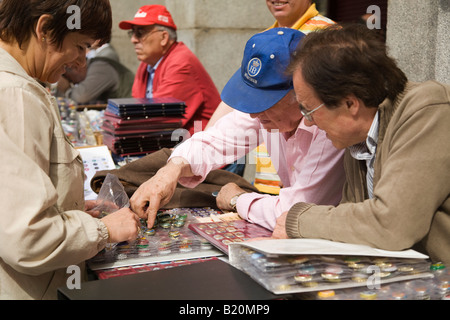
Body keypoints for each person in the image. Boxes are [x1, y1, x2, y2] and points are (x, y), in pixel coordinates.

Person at [130, 28, 345, 232]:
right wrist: (170, 171)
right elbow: (216, 139)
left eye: (264, 102)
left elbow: (295, 212)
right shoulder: (267, 115)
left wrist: (237, 199)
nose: (254, 114)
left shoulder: (330, 128)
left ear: (300, 91)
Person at [272, 24, 450, 265]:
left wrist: (299, 219)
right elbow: (353, 222)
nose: (308, 122)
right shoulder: (356, 138)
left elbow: (392, 224)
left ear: (350, 103)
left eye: (310, 110)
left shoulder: (427, 110)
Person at [0, 0, 140, 299]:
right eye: (81, 46)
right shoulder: (16, 96)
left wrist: (67, 209)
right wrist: (104, 232)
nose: (81, 63)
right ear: (45, 30)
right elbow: (28, 238)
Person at [206, 0, 335, 192]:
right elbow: (238, 105)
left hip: (308, 186)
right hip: (268, 183)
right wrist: (194, 149)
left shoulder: (329, 38)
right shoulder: (264, 39)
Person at [119, 4, 221, 135]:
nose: (133, 39)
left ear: (164, 38)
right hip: (174, 141)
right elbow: (137, 111)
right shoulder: (147, 64)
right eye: (132, 33)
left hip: (201, 146)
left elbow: (158, 121)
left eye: (140, 33)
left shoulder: (181, 63)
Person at [56, 42, 134, 104]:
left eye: (70, 79)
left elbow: (82, 97)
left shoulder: (100, 67)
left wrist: (67, 90)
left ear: (76, 68)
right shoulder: (97, 66)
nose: (73, 83)